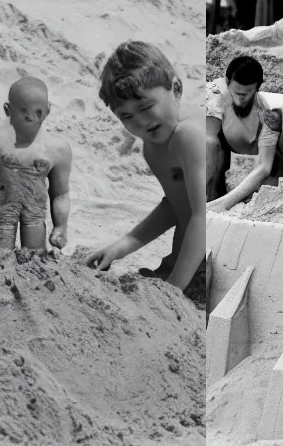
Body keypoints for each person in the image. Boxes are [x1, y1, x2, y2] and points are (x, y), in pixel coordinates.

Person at [85, 41, 209, 295]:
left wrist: (174, 288)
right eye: (127, 116)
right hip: (189, 255)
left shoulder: (189, 135)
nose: (141, 122)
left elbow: (203, 216)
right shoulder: (152, 147)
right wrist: (121, 247)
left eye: (145, 107)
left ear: (176, 88)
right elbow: (176, 206)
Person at [0, 77, 72, 252]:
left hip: (35, 212)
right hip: (3, 213)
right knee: (0, 251)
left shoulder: (57, 149)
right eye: (24, 110)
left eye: (38, 111)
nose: (31, 116)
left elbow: (60, 194)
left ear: (48, 110)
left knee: (34, 254)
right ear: (8, 109)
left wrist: (61, 226)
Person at [206, 54, 283, 212]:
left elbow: (264, 167)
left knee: (259, 189)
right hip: (277, 149)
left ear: (257, 88)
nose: (240, 100)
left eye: (245, 95)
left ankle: (218, 201)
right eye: (236, 93)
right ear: (228, 83)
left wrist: (222, 205)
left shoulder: (272, 113)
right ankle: (214, 196)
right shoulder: (222, 94)